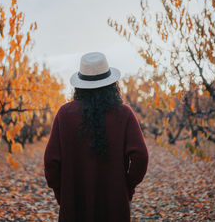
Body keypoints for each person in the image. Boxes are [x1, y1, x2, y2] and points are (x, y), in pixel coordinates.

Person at [44, 52, 149, 222]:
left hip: (74, 207)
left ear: (79, 85)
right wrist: (126, 188)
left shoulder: (64, 114)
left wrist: (63, 195)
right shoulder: (124, 114)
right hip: (115, 207)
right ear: (111, 84)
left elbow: (51, 162)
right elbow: (141, 157)